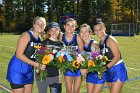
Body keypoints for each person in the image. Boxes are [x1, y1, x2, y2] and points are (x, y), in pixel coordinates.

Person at [6, 16, 46, 93]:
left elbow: (35, 56)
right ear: (34, 24)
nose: (40, 26)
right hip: (18, 68)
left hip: (29, 70)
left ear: (45, 26)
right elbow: (18, 54)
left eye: (43, 24)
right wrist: (37, 65)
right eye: (38, 24)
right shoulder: (26, 35)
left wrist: (40, 66)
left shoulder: (39, 40)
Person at [93, 18, 128, 93]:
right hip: (109, 70)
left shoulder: (110, 39)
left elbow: (117, 57)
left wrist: (105, 67)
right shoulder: (101, 42)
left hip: (117, 69)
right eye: (96, 30)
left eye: (100, 29)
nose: (98, 31)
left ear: (104, 28)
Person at [35, 22, 63, 93]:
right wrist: (38, 68)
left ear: (59, 31)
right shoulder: (43, 43)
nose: (54, 32)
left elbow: (61, 62)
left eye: (56, 30)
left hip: (55, 76)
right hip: (42, 75)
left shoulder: (61, 44)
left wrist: (59, 75)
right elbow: (37, 58)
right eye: (52, 30)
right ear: (49, 32)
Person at [79, 23, 106, 93]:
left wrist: (86, 70)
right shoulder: (81, 44)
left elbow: (98, 63)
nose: (84, 33)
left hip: (98, 74)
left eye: (86, 31)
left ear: (90, 33)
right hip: (90, 74)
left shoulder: (94, 45)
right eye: (82, 31)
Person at [59, 18, 84, 93]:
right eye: (68, 25)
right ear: (64, 26)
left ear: (75, 27)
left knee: (76, 90)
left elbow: (82, 53)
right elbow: (59, 52)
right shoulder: (61, 37)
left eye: (72, 26)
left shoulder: (77, 37)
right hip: (67, 67)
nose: (70, 27)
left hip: (77, 67)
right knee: (68, 89)